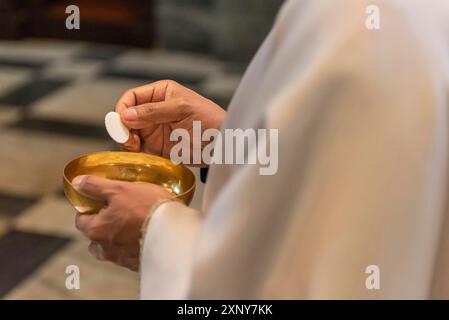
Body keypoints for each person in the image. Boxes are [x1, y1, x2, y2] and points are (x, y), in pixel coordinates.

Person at [72, 0, 449, 299]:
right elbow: (375, 180)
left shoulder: (356, 20)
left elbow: (277, 286)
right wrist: (233, 145)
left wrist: (154, 235)